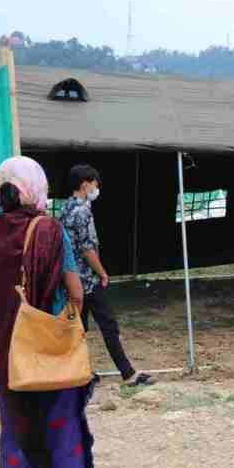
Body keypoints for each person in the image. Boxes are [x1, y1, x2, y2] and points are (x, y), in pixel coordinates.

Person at [0, 156, 94, 468]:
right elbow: (75, 291)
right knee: (60, 438)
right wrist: (68, 321)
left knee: (16, 436)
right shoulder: (49, 230)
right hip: (49, 358)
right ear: (36, 187)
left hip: (8, 357)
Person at [60, 164, 153, 386]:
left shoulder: (65, 208)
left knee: (77, 328)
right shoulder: (83, 210)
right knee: (108, 324)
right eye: (95, 182)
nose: (97, 187)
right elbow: (87, 248)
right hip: (87, 281)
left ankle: (80, 374)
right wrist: (102, 272)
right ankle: (128, 373)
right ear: (85, 184)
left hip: (71, 279)